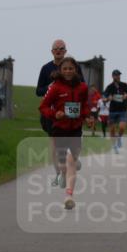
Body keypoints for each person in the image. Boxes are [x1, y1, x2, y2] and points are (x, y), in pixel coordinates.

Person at [38, 56, 89, 209]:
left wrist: (88, 117)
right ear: (60, 71)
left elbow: (85, 106)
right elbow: (43, 107)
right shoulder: (55, 87)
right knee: (63, 165)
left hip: (75, 130)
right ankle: (62, 173)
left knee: (71, 162)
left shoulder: (82, 88)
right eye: (65, 69)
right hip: (59, 129)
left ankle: (69, 196)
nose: (68, 71)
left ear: (76, 70)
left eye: (71, 69)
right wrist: (55, 114)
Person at [103, 70, 127, 153]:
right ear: (112, 76)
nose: (118, 76)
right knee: (112, 129)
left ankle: (119, 138)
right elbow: (104, 98)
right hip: (113, 111)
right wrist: (108, 98)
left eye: (119, 75)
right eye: (116, 75)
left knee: (122, 127)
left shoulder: (124, 85)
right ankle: (114, 145)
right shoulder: (109, 86)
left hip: (122, 110)